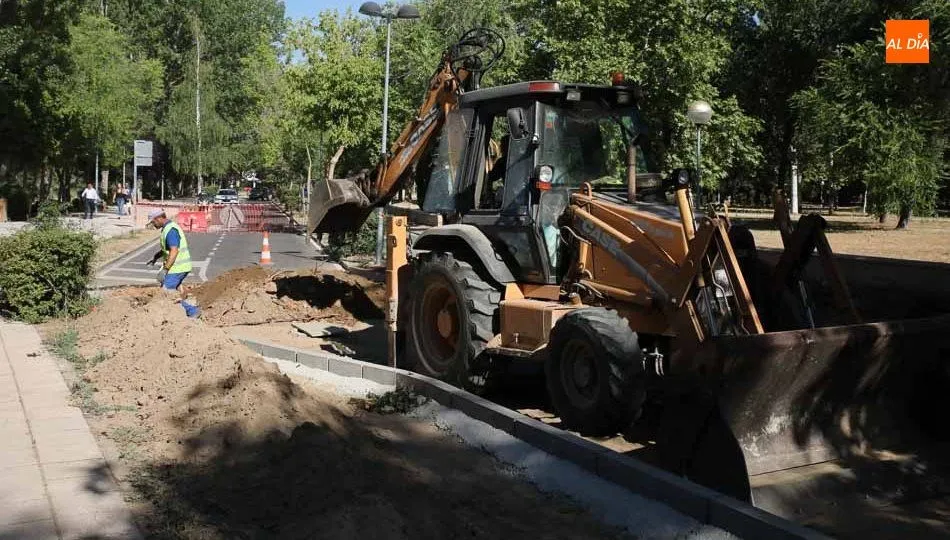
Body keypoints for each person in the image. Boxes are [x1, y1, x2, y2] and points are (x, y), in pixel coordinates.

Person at [146, 209, 200, 318]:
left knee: (166, 294)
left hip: (178, 268)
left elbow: (174, 250)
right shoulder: (167, 228)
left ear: (159, 218)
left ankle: (192, 311)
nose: (153, 225)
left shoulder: (171, 230)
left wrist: (165, 270)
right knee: (167, 293)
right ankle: (184, 312)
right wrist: (156, 257)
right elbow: (167, 248)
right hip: (176, 268)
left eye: (153, 222)